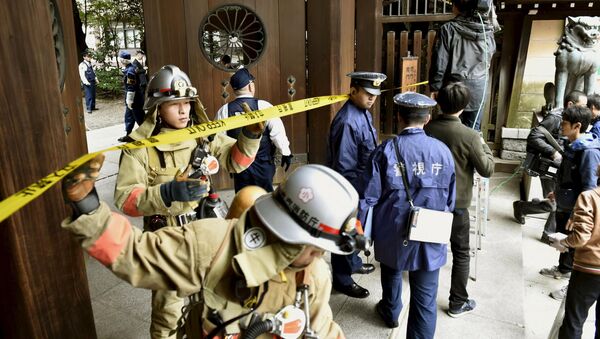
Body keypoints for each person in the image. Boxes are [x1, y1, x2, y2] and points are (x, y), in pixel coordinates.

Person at [62, 161, 362, 338]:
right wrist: (87, 206)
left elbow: (322, 327)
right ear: (291, 235)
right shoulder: (212, 243)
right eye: (315, 247)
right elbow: (136, 254)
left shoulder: (314, 275)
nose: (319, 255)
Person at [113, 65, 263, 339]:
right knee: (168, 314)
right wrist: (166, 193)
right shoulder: (140, 146)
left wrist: (251, 135)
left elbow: (236, 162)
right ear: (157, 107)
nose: (183, 111)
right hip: (167, 239)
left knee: (215, 304)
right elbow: (125, 200)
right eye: (174, 104)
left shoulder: (204, 133)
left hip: (206, 232)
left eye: (187, 103)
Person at [357, 92, 455, 336]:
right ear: (428, 118)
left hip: (393, 227)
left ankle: (391, 312)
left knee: (391, 269)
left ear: (399, 117)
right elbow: (450, 199)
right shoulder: (443, 152)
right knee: (425, 299)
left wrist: (360, 230)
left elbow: (369, 197)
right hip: (431, 231)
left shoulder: (386, 151)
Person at [424, 82, 494, 317]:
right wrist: (485, 147)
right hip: (458, 205)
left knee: (429, 248)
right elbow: (486, 169)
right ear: (464, 107)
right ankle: (457, 302)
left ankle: (423, 297)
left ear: (439, 102)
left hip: (429, 203)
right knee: (461, 252)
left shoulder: (427, 128)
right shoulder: (470, 136)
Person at [327, 71, 387, 299]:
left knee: (355, 228)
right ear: (353, 91)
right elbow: (344, 165)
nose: (372, 98)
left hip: (360, 183)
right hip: (349, 186)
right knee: (345, 230)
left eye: (375, 94)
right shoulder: (347, 121)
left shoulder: (362, 113)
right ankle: (342, 279)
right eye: (368, 93)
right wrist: (354, 194)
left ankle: (353, 262)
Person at [540, 105, 600, 300]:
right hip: (566, 202)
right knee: (565, 240)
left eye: (565, 123)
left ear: (577, 126)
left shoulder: (588, 152)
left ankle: (571, 285)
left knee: (576, 245)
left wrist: (577, 214)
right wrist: (556, 193)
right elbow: (567, 175)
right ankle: (563, 269)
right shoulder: (572, 145)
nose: (561, 126)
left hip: (577, 207)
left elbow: (589, 187)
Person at [513, 90, 588, 243]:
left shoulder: (574, 119)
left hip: (561, 168)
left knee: (555, 202)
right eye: (583, 105)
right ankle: (545, 232)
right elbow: (534, 136)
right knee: (554, 203)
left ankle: (525, 210)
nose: (585, 109)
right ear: (570, 104)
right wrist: (553, 152)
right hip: (549, 167)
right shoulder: (555, 118)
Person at [215, 68, 293, 192]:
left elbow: (218, 139)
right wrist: (286, 153)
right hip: (263, 163)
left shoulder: (224, 110)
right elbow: (277, 134)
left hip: (239, 164)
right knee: (264, 197)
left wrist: (228, 162)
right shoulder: (264, 106)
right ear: (251, 86)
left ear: (234, 90)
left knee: (242, 198)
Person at [429, 0, 497, 131]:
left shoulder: (448, 29)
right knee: (472, 132)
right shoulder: (488, 31)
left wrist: (435, 87)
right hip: (478, 89)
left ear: (457, 7)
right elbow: (489, 55)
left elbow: (440, 62)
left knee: (450, 129)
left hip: (453, 89)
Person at [547, 175, 600, 339]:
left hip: (589, 270)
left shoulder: (589, 197)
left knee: (574, 321)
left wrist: (563, 241)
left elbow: (581, 237)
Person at [117, 51, 145, 142]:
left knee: (139, 117)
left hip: (134, 99)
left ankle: (147, 134)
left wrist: (129, 100)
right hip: (133, 99)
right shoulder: (129, 69)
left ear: (123, 60)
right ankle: (128, 135)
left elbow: (131, 87)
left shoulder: (130, 71)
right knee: (129, 117)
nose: (120, 61)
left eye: (121, 59)